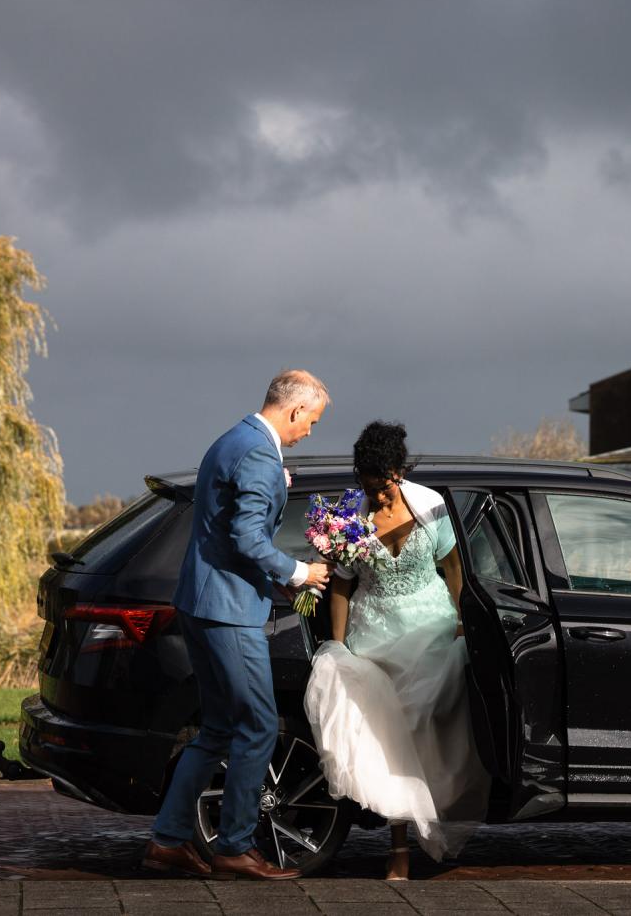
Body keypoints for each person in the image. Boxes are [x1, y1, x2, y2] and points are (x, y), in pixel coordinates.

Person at [142, 370, 333, 881]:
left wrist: (280, 580)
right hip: (228, 611)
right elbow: (248, 537)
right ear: (294, 410)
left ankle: (168, 839)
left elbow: (229, 534)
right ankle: (234, 846)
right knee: (258, 725)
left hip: (202, 602)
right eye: (311, 421)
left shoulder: (234, 439)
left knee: (219, 728)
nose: (310, 431)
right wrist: (299, 571)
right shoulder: (258, 454)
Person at [303, 421, 490, 880]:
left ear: (398, 472)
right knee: (389, 738)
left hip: (430, 630)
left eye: (384, 487)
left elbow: (453, 568)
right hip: (376, 635)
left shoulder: (431, 506)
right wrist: (340, 645)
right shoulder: (349, 518)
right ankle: (398, 847)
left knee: (427, 723)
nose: (379, 497)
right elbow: (342, 587)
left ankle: (433, 816)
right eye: (369, 487)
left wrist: (464, 622)